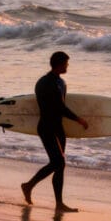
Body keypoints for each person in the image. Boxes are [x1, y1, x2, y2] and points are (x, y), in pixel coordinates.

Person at [21, 51, 88, 211]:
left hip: (58, 128)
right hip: (47, 127)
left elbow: (60, 106)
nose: (67, 66)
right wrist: (78, 119)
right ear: (59, 64)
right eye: (66, 63)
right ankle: (29, 185)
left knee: (59, 165)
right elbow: (59, 107)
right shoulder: (45, 83)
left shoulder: (61, 83)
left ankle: (58, 203)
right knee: (59, 162)